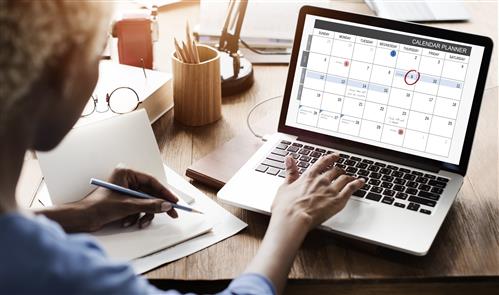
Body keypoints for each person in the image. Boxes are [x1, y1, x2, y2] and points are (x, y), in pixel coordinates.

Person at [0, 1, 364, 294]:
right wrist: (291, 218)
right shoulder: (63, 273)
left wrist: (82, 213)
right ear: (60, 75)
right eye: (97, 56)